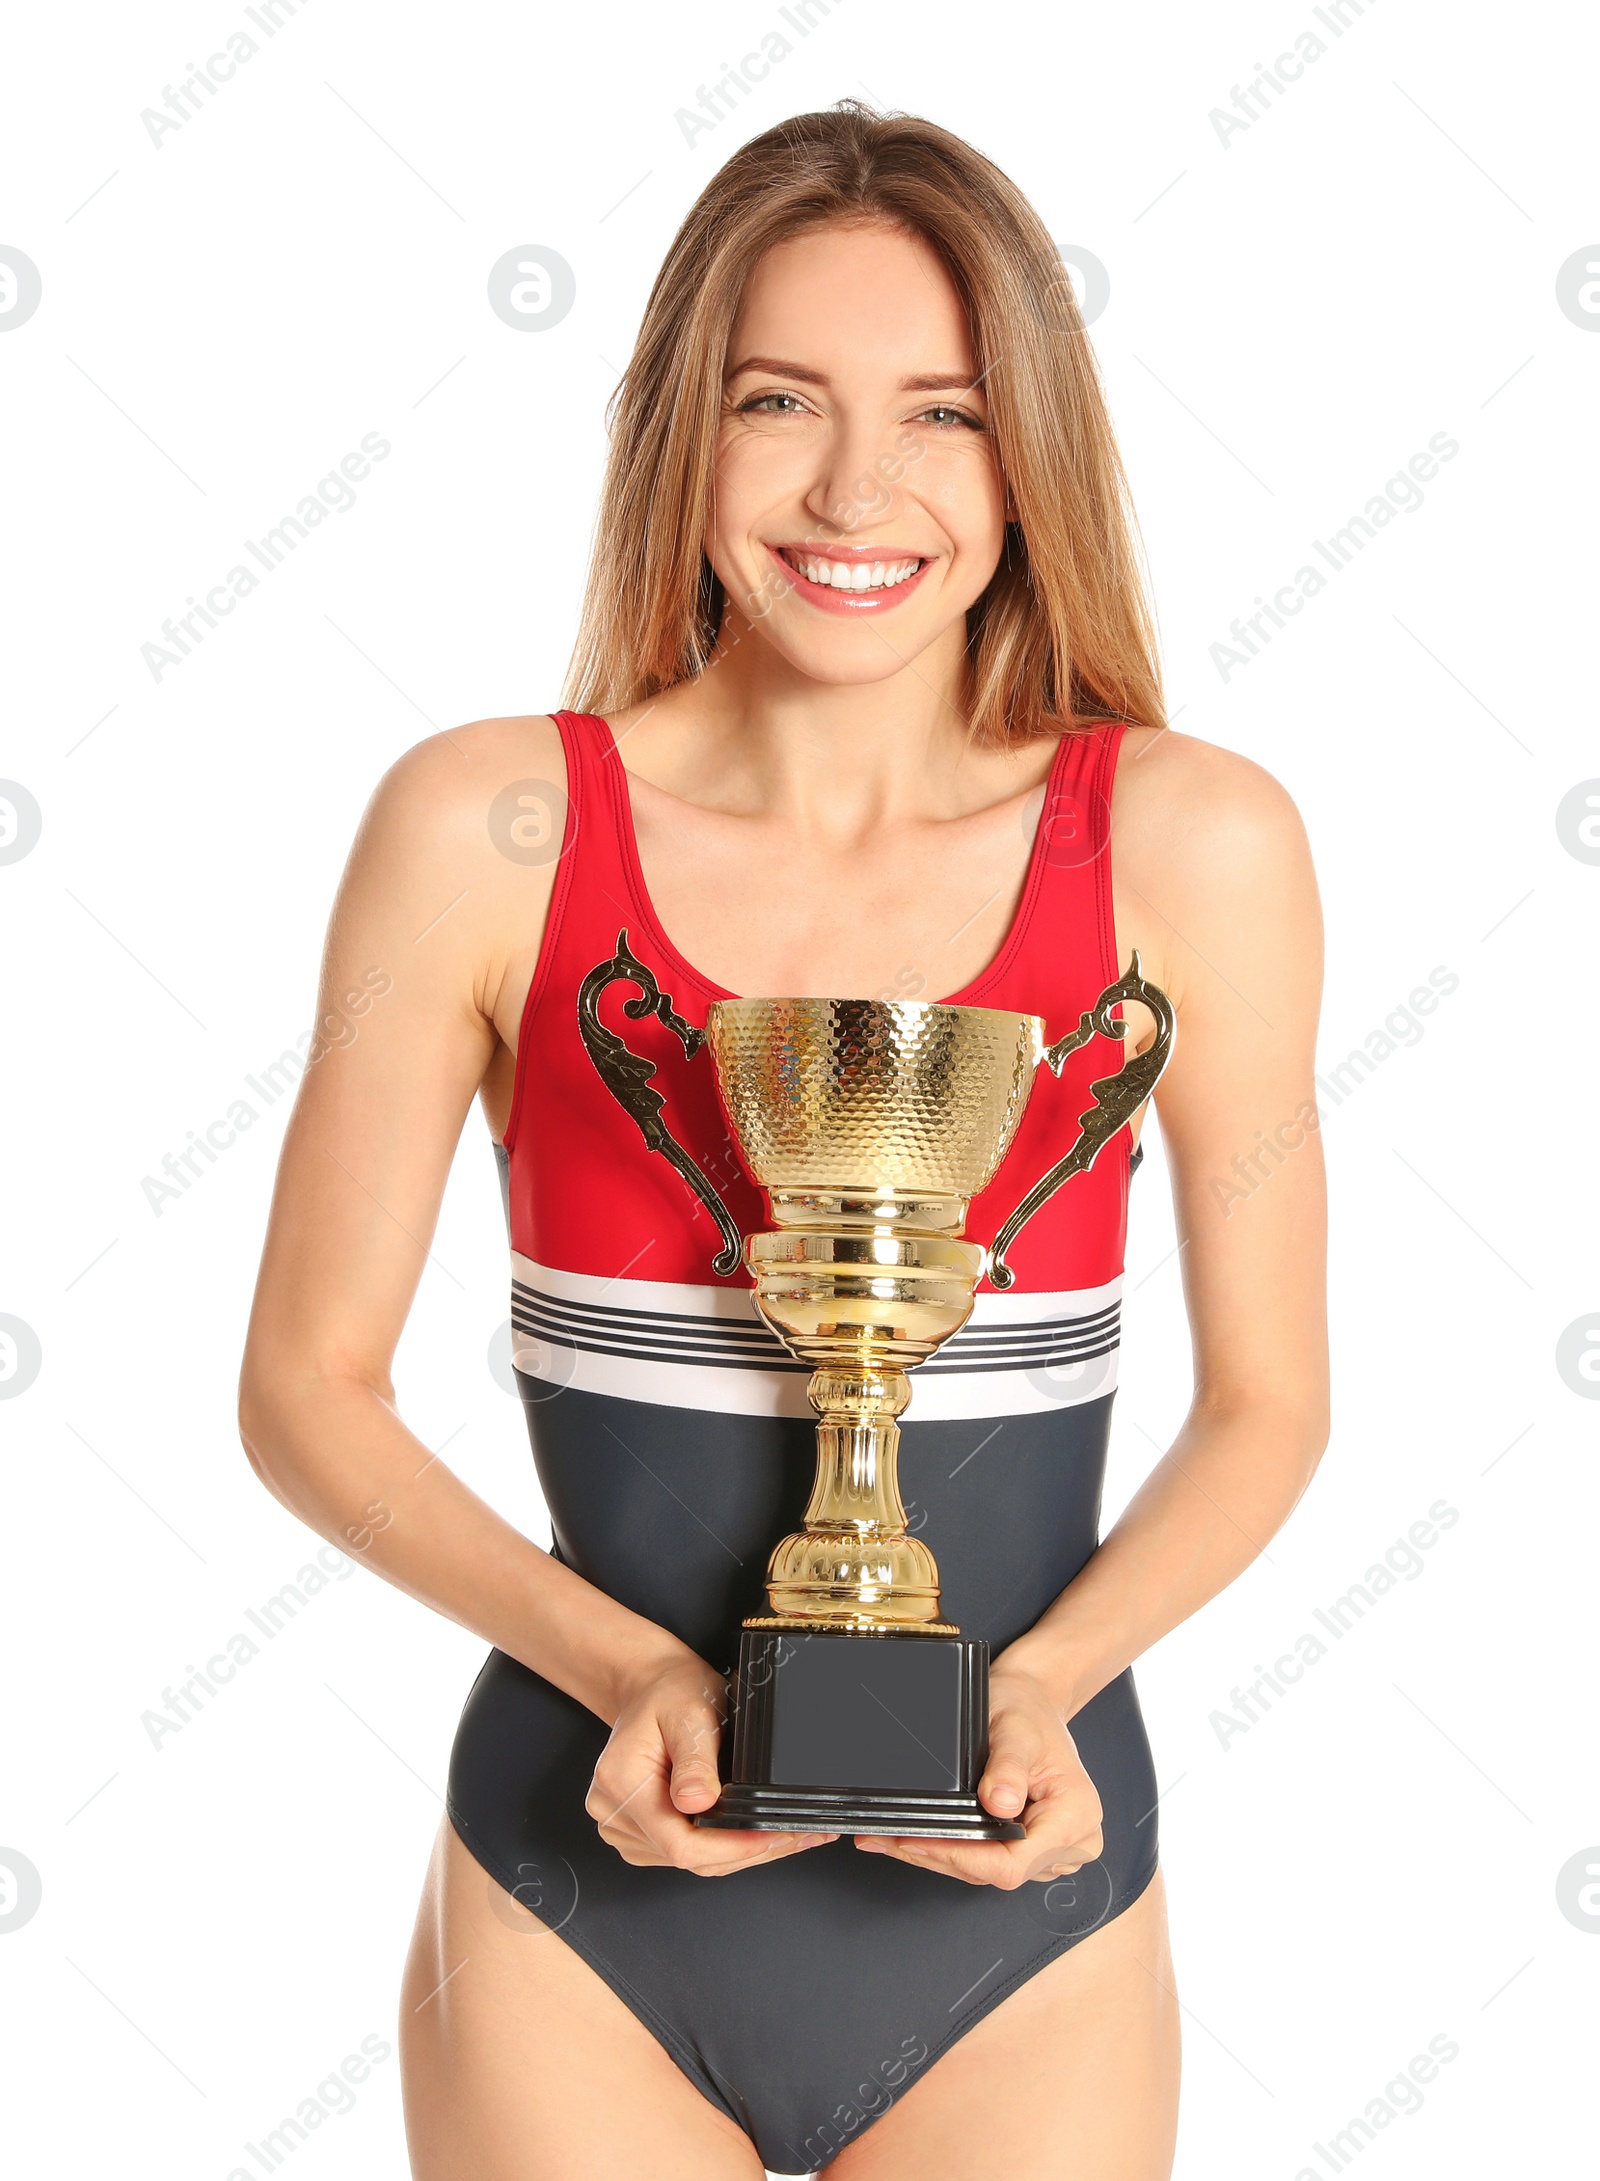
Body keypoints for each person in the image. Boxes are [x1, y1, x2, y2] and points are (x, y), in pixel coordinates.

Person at [240, 101, 1327, 2181]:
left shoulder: (1192, 842)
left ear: (1030, 453)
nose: (855, 487)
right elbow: (304, 1392)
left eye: (940, 410)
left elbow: (1269, 1403)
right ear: (678, 428)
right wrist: (623, 1666)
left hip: (1026, 1902)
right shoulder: (489, 829)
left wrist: (1055, 1679)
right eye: (775, 401)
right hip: (583, 1895)